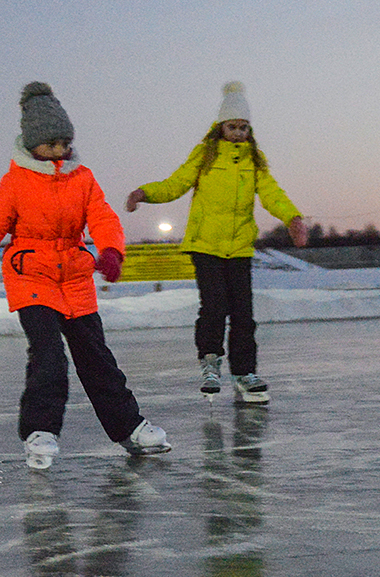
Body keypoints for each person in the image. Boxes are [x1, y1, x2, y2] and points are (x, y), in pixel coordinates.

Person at [0, 81, 170, 468]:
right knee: (48, 356)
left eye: (64, 143)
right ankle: (40, 431)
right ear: (32, 143)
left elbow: (103, 216)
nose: (60, 151)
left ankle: (129, 427)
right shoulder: (14, 185)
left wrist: (110, 250)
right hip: (32, 280)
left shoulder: (83, 178)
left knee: (97, 357)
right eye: (51, 144)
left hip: (75, 278)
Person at [125, 81, 307, 404]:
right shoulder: (205, 155)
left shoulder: (255, 160)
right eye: (232, 126)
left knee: (243, 313)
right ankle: (210, 362)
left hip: (238, 247)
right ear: (220, 126)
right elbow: (176, 183)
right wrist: (145, 193)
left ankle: (244, 373)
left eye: (243, 127)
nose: (237, 133)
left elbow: (271, 194)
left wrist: (292, 217)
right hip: (205, 245)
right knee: (214, 306)